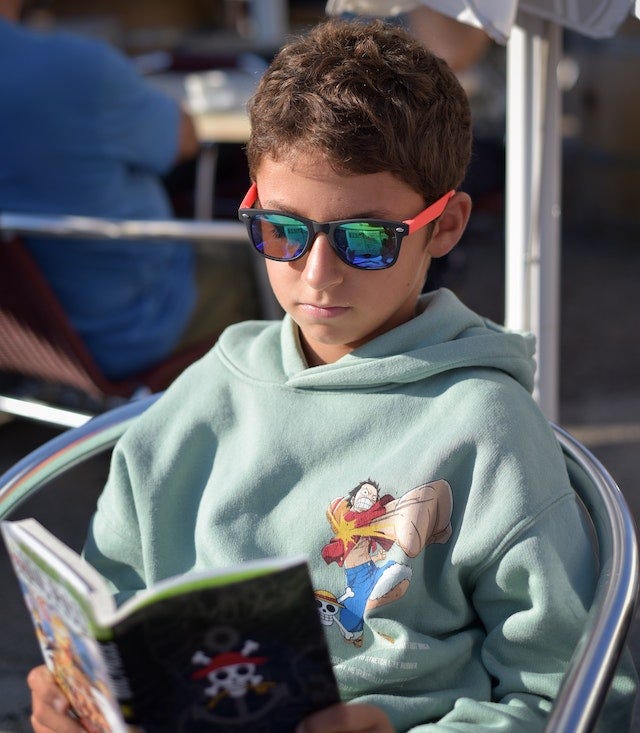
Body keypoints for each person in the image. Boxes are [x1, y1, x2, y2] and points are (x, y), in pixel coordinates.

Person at [27, 18, 636, 732]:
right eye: (282, 231)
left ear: (445, 226)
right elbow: (114, 611)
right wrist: (75, 691)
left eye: (367, 239)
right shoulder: (201, 396)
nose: (317, 274)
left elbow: (574, 699)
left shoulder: (486, 429)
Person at [0, 0, 258, 381]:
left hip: (21, 337)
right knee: (267, 258)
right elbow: (184, 138)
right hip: (136, 327)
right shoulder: (78, 69)